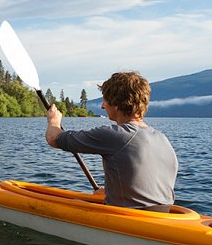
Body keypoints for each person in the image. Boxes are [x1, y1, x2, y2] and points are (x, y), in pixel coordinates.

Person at [45, 71, 177, 210]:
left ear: (116, 103)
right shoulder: (162, 138)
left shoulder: (116, 135)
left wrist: (54, 121)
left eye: (105, 100)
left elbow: (54, 139)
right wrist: (112, 192)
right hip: (164, 215)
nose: (102, 106)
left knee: (69, 204)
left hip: (131, 219)